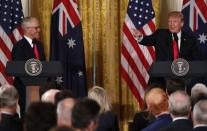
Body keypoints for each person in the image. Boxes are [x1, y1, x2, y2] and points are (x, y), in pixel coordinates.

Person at [133, 11, 200, 88]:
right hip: (160, 78)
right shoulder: (160, 34)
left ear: (181, 23)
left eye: (175, 21)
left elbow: (196, 58)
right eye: (169, 22)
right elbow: (147, 40)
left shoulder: (189, 38)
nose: (171, 24)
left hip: (181, 79)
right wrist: (140, 36)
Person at [11, 16, 46, 118]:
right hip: (25, 89)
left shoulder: (39, 45)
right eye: (36, 28)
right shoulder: (19, 47)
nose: (39, 30)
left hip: (40, 88)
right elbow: (19, 70)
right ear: (27, 29)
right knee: (27, 118)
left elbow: (44, 66)